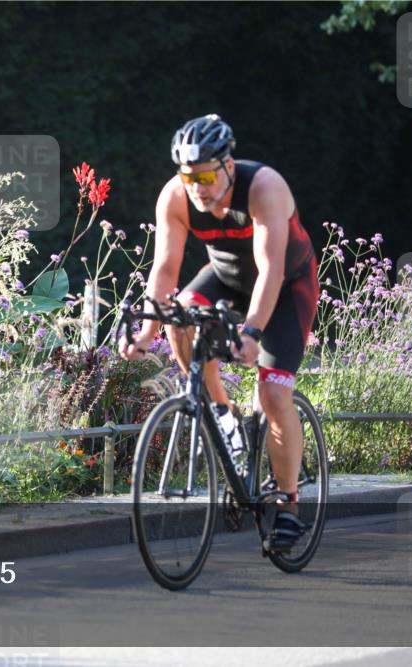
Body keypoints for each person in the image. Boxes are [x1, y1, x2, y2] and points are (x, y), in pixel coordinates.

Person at [118, 114, 319, 552]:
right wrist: (148, 331)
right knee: (179, 316)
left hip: (285, 288)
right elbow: (165, 269)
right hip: (226, 278)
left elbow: (271, 270)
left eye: (206, 176)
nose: (197, 187)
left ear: (228, 165)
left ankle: (288, 506)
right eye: (188, 176)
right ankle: (222, 413)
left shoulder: (264, 188)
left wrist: (252, 332)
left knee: (273, 395)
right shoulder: (176, 196)